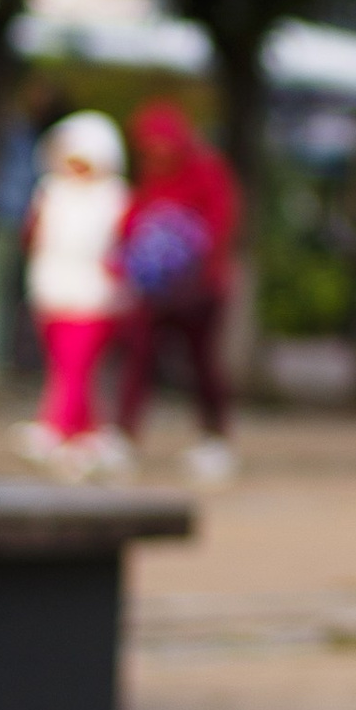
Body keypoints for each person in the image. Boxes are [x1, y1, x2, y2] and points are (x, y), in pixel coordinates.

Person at [112, 101, 242, 486]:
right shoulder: (152, 176)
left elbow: (221, 221)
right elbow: (132, 221)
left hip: (201, 289)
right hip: (154, 291)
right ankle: (125, 436)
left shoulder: (205, 170)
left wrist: (200, 268)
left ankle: (214, 439)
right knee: (138, 360)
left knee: (202, 364)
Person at [13, 111, 130, 478]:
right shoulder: (51, 192)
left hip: (95, 296)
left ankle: (55, 426)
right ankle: (90, 435)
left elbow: (124, 247)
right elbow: (33, 238)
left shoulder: (115, 198)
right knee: (64, 364)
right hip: (52, 290)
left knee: (75, 366)